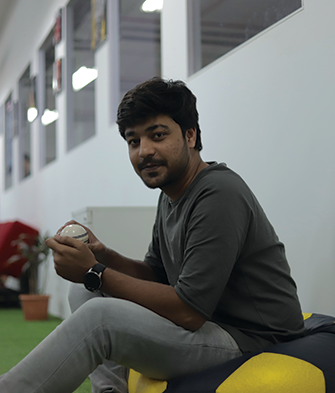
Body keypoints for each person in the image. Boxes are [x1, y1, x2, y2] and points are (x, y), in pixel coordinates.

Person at [0, 78, 305, 393]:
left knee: (98, 317)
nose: (144, 151)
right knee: (83, 293)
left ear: (190, 135)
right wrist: (103, 255)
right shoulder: (171, 195)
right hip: (212, 323)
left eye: (158, 135)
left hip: (252, 338)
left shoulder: (219, 193)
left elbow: (189, 311)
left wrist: (95, 272)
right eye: (134, 141)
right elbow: (157, 274)